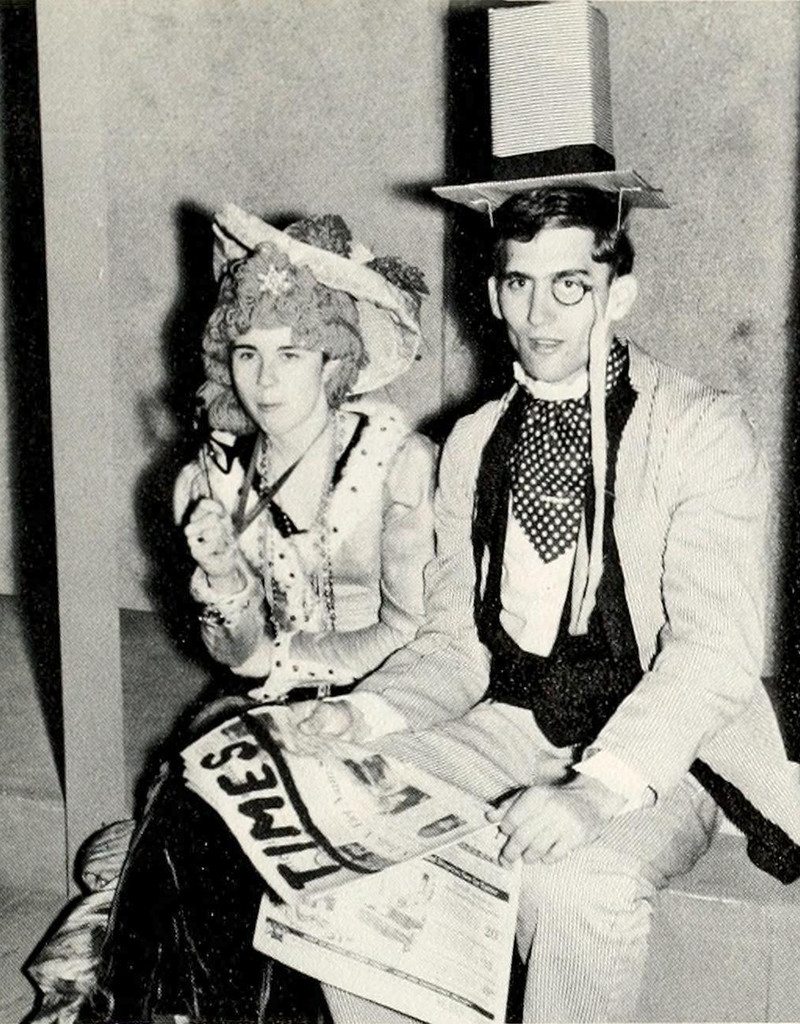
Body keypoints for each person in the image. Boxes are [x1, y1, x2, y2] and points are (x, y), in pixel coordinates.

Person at [297, 185, 800, 1023]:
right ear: (495, 295)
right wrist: (367, 713)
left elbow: (714, 654)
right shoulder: (471, 444)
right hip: (512, 722)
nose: (541, 313)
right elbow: (453, 645)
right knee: (339, 815)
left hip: (667, 750)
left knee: (568, 885)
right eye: (520, 283)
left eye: (571, 284)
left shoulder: (702, 430)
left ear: (619, 293)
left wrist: (596, 791)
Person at [25, 206, 436, 1024]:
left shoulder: (396, 463)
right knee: (195, 813)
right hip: (265, 702)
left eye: (292, 355)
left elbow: (410, 632)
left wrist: (301, 679)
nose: (265, 380)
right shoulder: (212, 479)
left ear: (335, 362)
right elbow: (240, 655)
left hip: (385, 704)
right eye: (247, 353)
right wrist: (221, 576)